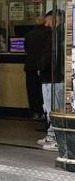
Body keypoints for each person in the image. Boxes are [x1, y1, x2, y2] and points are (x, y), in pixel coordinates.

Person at [37, 11, 65, 152]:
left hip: (52, 77)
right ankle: (52, 135)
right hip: (55, 76)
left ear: (55, 18)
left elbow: (50, 56)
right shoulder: (60, 33)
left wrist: (41, 68)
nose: (45, 23)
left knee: (52, 108)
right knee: (52, 108)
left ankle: (56, 139)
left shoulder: (58, 34)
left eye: (47, 20)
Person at [24, 18, 49, 120]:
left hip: (30, 66)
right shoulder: (49, 34)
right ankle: (44, 112)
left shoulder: (29, 34)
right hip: (43, 66)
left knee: (32, 90)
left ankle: (34, 112)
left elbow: (26, 49)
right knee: (42, 91)